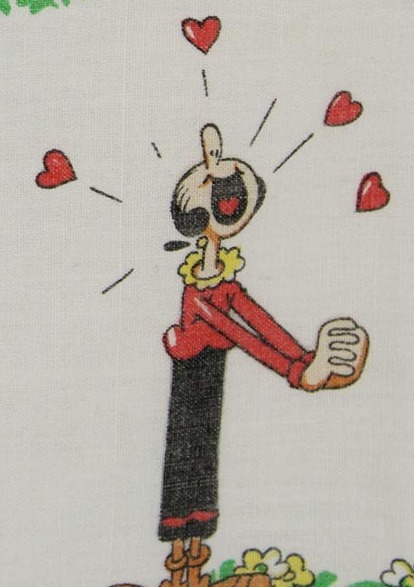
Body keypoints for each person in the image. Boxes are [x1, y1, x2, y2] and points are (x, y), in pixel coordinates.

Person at [150, 126, 368, 587]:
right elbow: (235, 330)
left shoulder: (222, 282)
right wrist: (295, 370)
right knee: (186, 466)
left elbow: (255, 319)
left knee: (201, 466)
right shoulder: (199, 289)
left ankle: (194, 565)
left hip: (208, 378)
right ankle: (181, 567)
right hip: (192, 382)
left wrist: (303, 360)